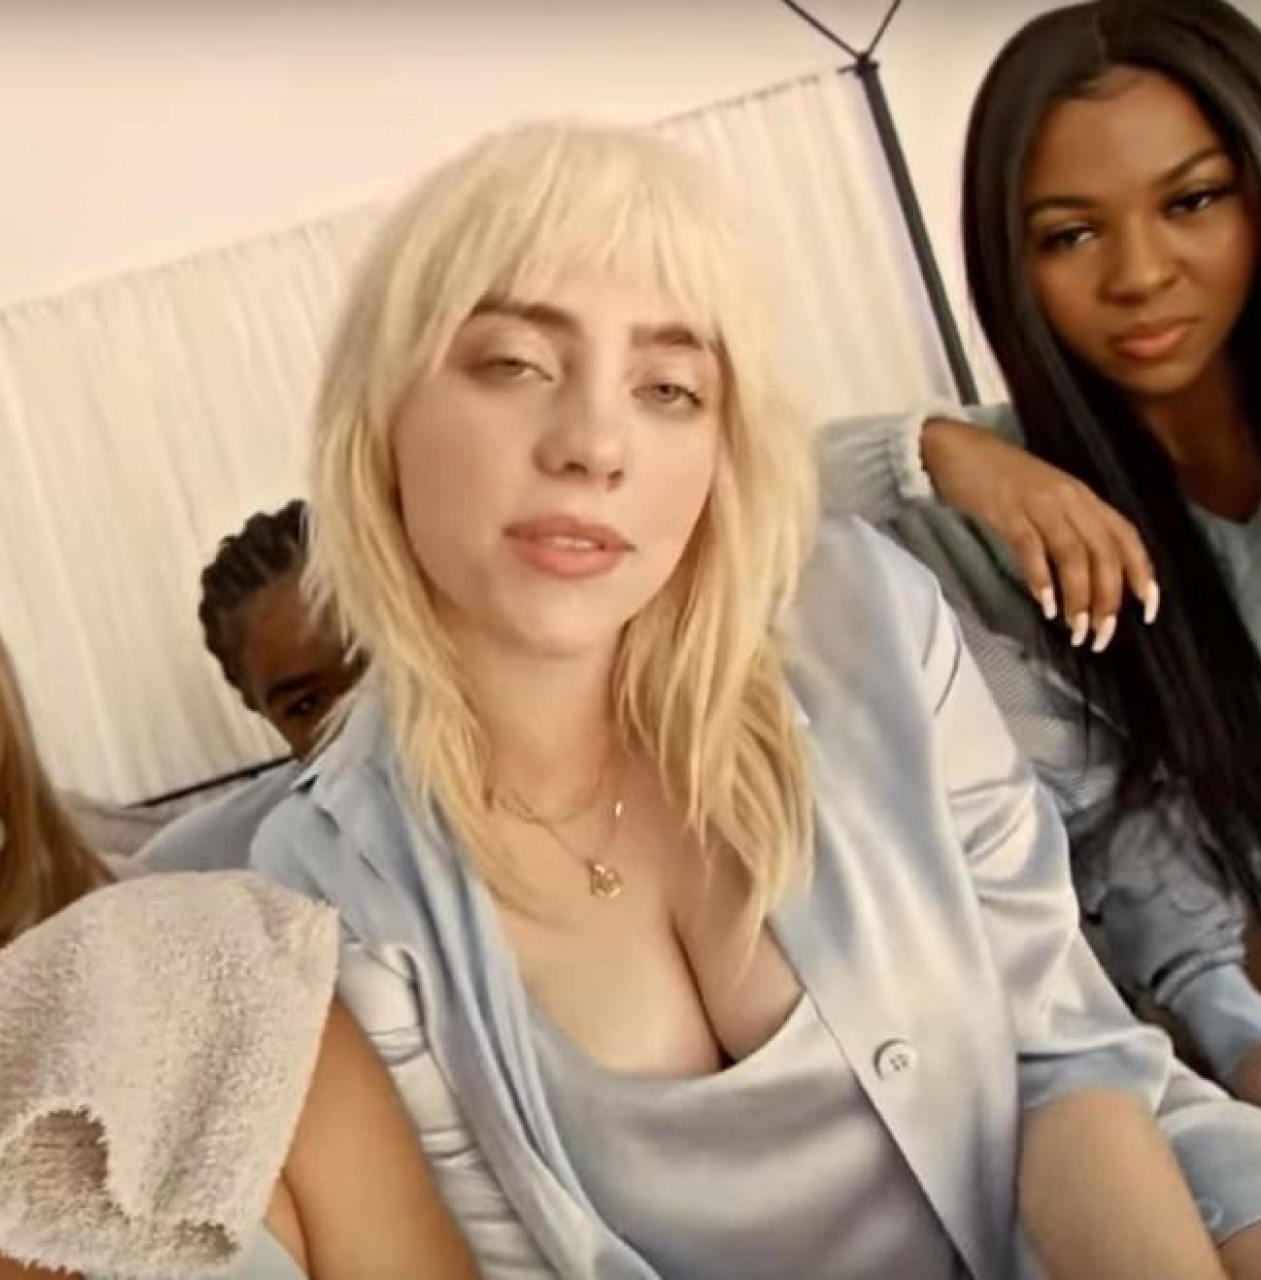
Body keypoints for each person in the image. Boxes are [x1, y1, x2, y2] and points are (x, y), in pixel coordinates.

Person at [249, 119, 1261, 1279]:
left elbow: (1062, 1058)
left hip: (1127, 1201)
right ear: (379, 410)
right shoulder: (330, 884)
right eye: (516, 365)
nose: (594, 444)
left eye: (668, 387)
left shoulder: (858, 615)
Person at [817, 0, 1261, 1101]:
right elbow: (720, 489)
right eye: (1069, 234)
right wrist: (938, 451)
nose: (1138, 274)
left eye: (1192, 200)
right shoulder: (987, 513)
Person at [0, 594, 479, 1280]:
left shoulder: (214, 968)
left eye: (368, 677)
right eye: (308, 701)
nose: (356, 724)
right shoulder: (226, 856)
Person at [143, 499, 362, 873]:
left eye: (376, 670)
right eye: (306, 705)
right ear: (257, 707)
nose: (359, 719)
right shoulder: (204, 868)